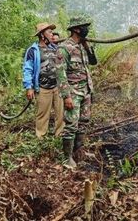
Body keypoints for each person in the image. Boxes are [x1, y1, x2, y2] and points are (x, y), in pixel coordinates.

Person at [56, 16, 97, 168]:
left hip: (86, 91)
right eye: (84, 27)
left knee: (83, 123)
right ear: (76, 29)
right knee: (71, 125)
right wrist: (66, 96)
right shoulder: (64, 48)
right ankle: (67, 158)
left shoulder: (83, 46)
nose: (87, 29)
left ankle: (78, 152)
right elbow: (60, 75)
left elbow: (93, 62)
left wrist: (88, 47)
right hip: (73, 93)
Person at [23, 22, 64, 139]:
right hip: (43, 87)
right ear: (42, 35)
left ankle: (59, 134)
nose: (52, 34)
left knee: (60, 113)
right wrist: (29, 87)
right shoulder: (33, 50)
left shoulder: (55, 48)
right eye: (49, 32)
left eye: (52, 32)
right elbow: (27, 69)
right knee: (42, 114)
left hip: (57, 86)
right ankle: (41, 136)